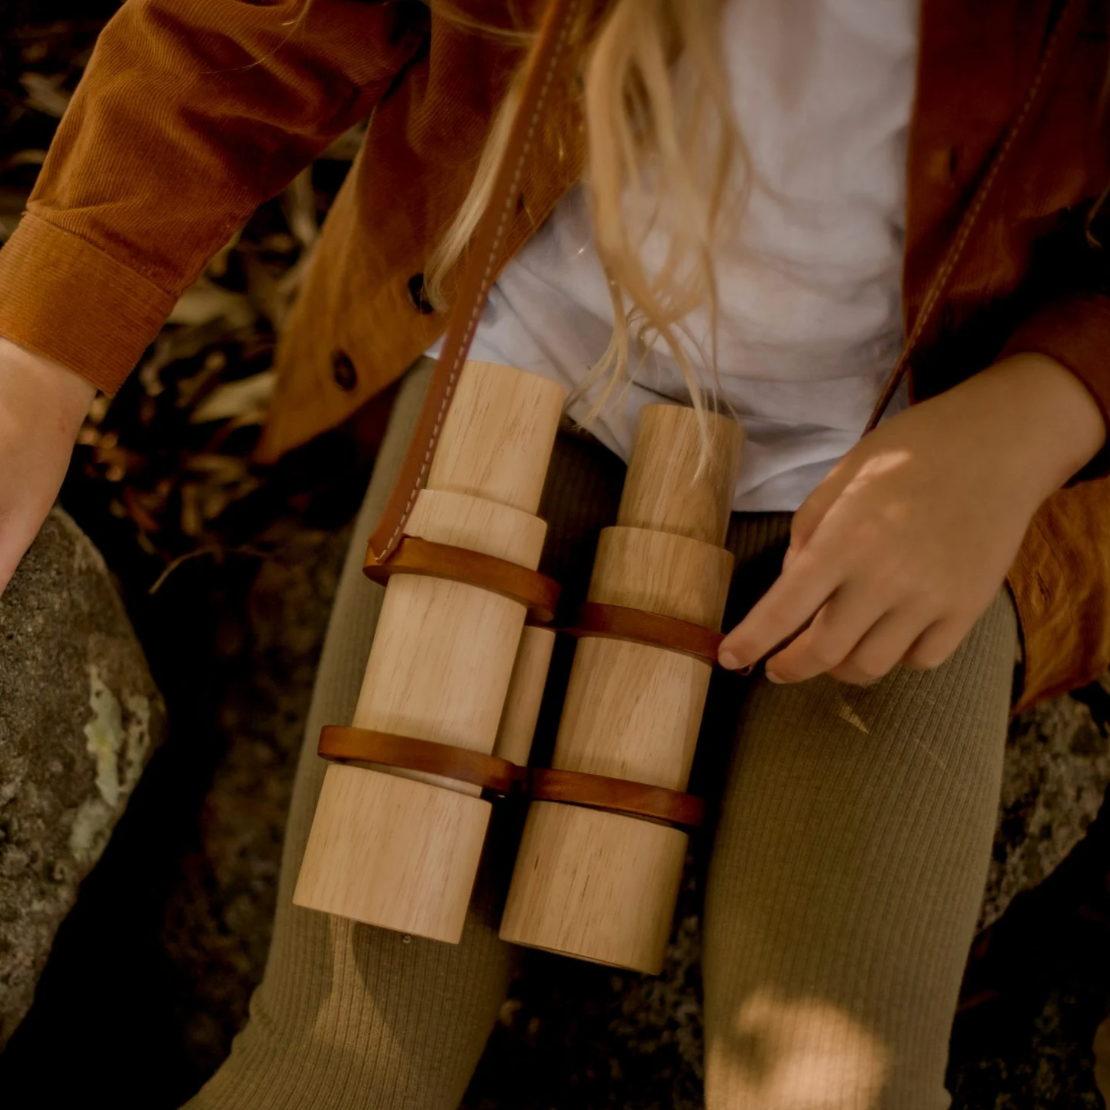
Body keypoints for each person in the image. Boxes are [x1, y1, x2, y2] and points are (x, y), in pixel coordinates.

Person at [1, 0, 1108, 1106]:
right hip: (526, 392)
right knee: (344, 1064)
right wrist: (39, 354)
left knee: (832, 1090)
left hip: (914, 471)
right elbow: (244, 35)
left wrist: (1039, 415)